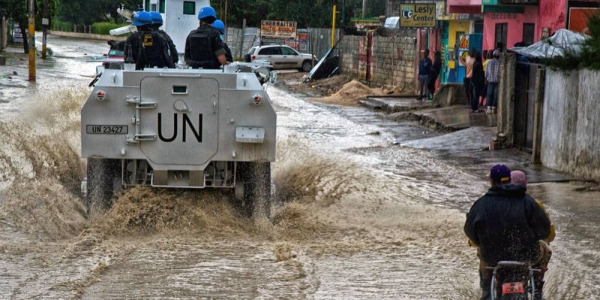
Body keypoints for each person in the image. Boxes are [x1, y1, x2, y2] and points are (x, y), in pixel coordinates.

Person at [464, 164, 551, 300]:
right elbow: (544, 231)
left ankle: (487, 290)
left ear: (492, 181)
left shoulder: (481, 204)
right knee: (545, 251)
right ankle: (537, 291)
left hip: (493, 257)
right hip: (526, 256)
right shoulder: (528, 201)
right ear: (509, 180)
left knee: (482, 254)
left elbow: (470, 232)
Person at [485, 49, 500, 114]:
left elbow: (486, 72)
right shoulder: (499, 63)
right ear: (498, 56)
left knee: (489, 94)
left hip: (490, 81)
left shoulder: (488, 62)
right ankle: (494, 108)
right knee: (495, 95)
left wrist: (485, 79)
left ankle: (489, 108)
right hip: (497, 82)